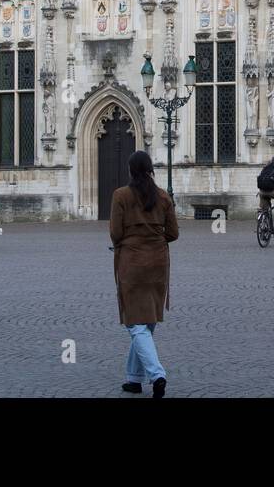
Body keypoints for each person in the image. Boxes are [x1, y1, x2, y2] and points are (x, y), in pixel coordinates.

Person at [109, 151, 179, 398]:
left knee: (136, 323)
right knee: (146, 321)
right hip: (158, 263)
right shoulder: (163, 196)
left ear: (131, 171)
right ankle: (133, 378)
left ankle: (157, 374)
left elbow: (115, 234)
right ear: (150, 169)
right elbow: (173, 233)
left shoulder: (121, 196)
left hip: (132, 262)